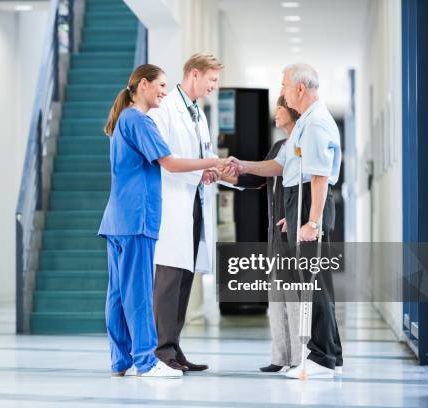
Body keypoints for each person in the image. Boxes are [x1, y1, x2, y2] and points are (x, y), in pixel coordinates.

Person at [98, 64, 233, 378]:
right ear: (143, 85)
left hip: (117, 219)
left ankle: (121, 360)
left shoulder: (124, 120)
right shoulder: (139, 121)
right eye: (160, 86)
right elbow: (170, 163)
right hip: (137, 219)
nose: (163, 92)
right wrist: (215, 161)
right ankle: (146, 361)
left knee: (117, 293)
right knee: (139, 292)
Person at [230, 63, 343, 379]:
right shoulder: (306, 123)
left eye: (283, 85)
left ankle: (320, 359)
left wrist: (312, 222)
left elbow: (319, 177)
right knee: (315, 284)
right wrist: (241, 166)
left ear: (300, 89)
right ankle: (331, 354)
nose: (281, 92)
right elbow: (281, 166)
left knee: (312, 285)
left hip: (311, 203)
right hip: (300, 203)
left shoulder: (317, 123)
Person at [148, 54, 235, 372]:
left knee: (184, 279)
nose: (214, 87)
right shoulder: (167, 108)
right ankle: (162, 350)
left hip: (194, 202)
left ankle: (174, 347)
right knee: (169, 280)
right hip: (173, 204)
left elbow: (205, 154)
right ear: (194, 75)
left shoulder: (197, 112)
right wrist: (206, 168)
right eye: (211, 80)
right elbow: (165, 160)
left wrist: (213, 169)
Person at [221, 95, 303, 373]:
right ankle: (280, 357)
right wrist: (219, 174)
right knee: (277, 295)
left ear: (292, 110)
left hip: (293, 233)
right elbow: (257, 178)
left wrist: (300, 220)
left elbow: (314, 185)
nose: (276, 113)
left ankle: (300, 358)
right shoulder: (280, 145)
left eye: (280, 108)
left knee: (295, 297)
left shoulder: (302, 143)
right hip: (274, 235)